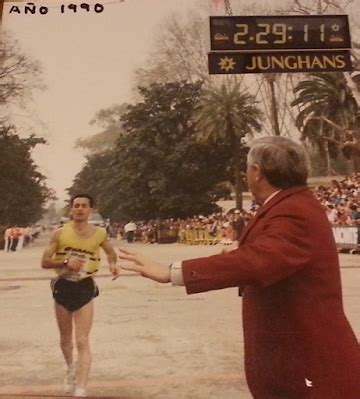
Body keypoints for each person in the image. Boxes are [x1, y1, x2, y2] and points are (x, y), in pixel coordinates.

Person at [118, 136, 360, 399]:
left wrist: (173, 271)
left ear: (256, 172)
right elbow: (272, 254)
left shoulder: (294, 211)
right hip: (297, 360)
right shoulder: (290, 205)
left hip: (307, 364)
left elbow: (257, 261)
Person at [41, 193, 119, 397]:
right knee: (66, 339)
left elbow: (110, 252)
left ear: (91, 210)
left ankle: (82, 388)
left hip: (85, 286)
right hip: (63, 286)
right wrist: (65, 263)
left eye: (84, 206)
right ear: (71, 209)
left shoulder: (100, 233)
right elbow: (44, 262)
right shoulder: (59, 233)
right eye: (76, 205)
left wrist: (112, 264)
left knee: (82, 340)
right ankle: (70, 369)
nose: (79, 209)